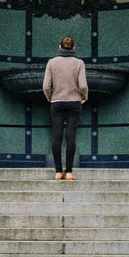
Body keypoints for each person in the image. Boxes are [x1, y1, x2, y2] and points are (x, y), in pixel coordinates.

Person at [42, 35, 88, 180]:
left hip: (57, 102)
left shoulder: (52, 62)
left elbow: (45, 86)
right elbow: (83, 85)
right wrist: (84, 96)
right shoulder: (79, 63)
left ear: (59, 47)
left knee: (57, 135)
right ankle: (68, 172)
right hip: (74, 102)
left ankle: (57, 171)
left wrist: (51, 97)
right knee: (70, 136)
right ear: (74, 48)